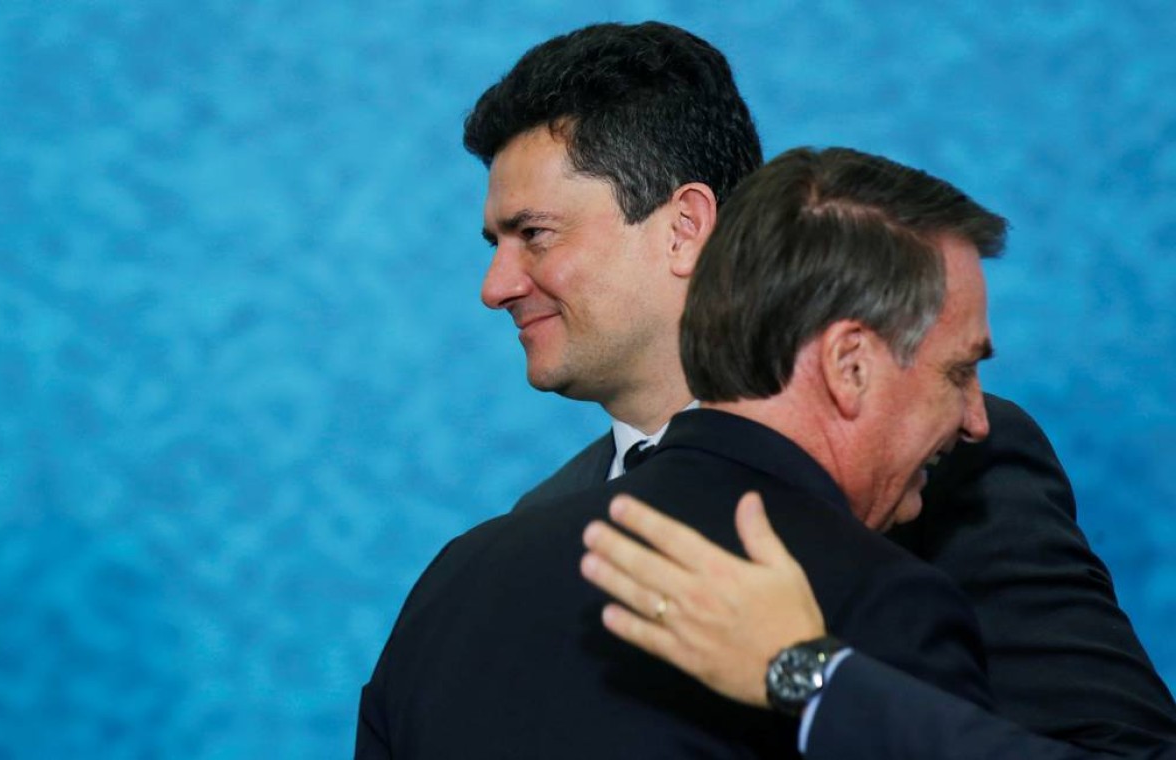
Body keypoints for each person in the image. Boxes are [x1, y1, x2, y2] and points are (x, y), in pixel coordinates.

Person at [465, 20, 1176, 751]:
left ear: (684, 226)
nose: (495, 287)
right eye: (495, 244)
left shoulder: (950, 463)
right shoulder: (531, 528)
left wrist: (809, 679)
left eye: (534, 233)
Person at [357, 144, 1007, 757]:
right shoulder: (881, 605)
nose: (976, 419)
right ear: (850, 365)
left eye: (534, 235)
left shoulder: (459, 580)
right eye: (957, 371)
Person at [582, 492, 1176, 760]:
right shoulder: (541, 517)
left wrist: (805, 672)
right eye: (958, 372)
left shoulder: (961, 472)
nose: (973, 417)